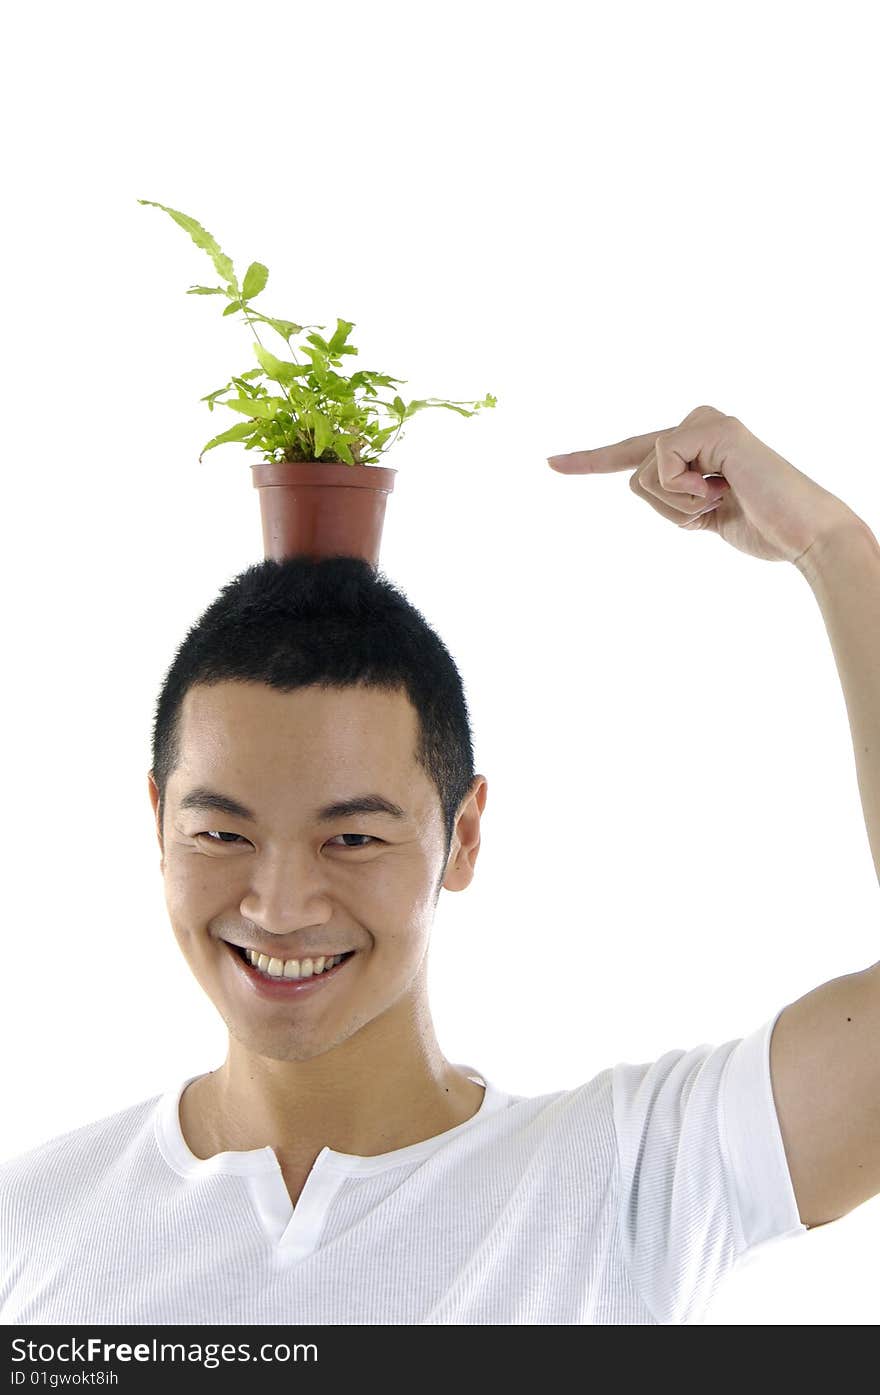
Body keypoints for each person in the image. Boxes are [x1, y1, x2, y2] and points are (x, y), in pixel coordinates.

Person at [2, 404, 877, 1326]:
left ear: (462, 837)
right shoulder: (31, 1228)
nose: (282, 905)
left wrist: (833, 545)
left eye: (353, 837)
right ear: (157, 821)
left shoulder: (630, 1182)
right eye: (223, 835)